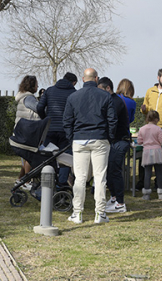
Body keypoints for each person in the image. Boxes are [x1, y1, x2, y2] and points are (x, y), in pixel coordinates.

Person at [63, 68, 117, 224]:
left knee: (79, 178)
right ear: (96, 79)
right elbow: (112, 120)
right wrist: (110, 138)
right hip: (100, 139)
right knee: (100, 177)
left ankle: (77, 213)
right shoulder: (106, 96)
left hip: (79, 139)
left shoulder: (73, 97)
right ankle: (100, 213)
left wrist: (71, 138)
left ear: (82, 79)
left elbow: (67, 121)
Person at [37, 72, 77, 187]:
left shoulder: (49, 90)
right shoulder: (74, 93)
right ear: (73, 82)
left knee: (49, 155)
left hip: (50, 128)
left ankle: (49, 180)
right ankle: (62, 182)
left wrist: (45, 119)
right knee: (66, 156)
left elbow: (39, 107)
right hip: (66, 130)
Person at [98, 77, 130, 213]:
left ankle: (120, 203)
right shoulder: (111, 100)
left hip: (120, 141)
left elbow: (110, 121)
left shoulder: (115, 102)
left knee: (115, 170)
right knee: (110, 170)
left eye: (101, 90)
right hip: (114, 141)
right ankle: (114, 198)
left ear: (108, 88)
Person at [15, 75, 41, 187]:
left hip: (21, 131)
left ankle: (20, 179)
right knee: (29, 157)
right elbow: (39, 109)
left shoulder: (22, 96)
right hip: (27, 132)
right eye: (36, 84)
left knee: (25, 157)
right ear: (32, 86)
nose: (38, 86)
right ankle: (27, 181)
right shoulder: (29, 98)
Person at [137, 110, 162, 200]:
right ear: (157, 119)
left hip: (147, 152)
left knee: (147, 173)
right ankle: (161, 194)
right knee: (159, 173)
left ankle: (146, 194)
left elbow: (139, 141)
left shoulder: (142, 129)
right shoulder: (158, 129)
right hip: (157, 151)